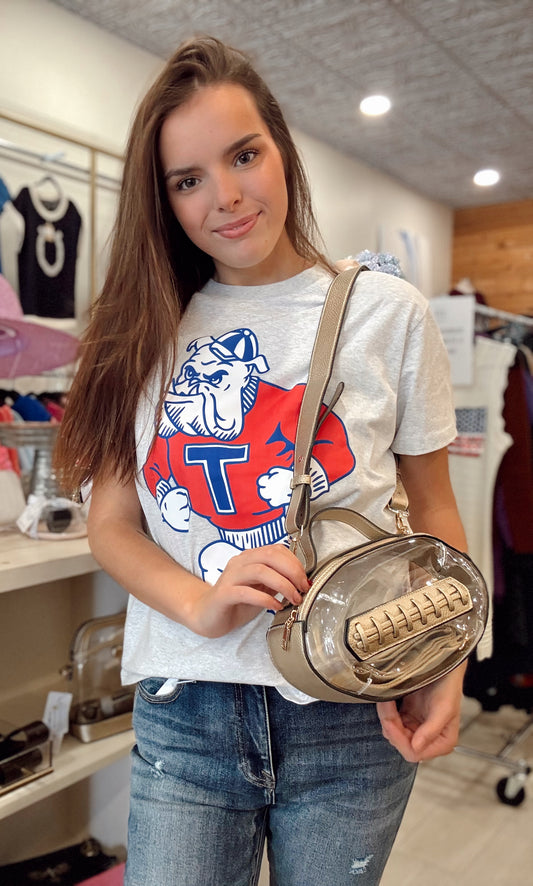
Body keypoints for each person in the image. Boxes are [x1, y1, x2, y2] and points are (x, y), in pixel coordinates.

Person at [55, 35, 468, 886]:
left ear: (281, 148)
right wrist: (200, 604)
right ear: (161, 199)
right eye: (188, 179)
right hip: (186, 713)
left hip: (353, 707)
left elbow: (434, 512)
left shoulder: (386, 313)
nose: (229, 196)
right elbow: (112, 523)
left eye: (245, 155)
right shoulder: (137, 330)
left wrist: (448, 661)